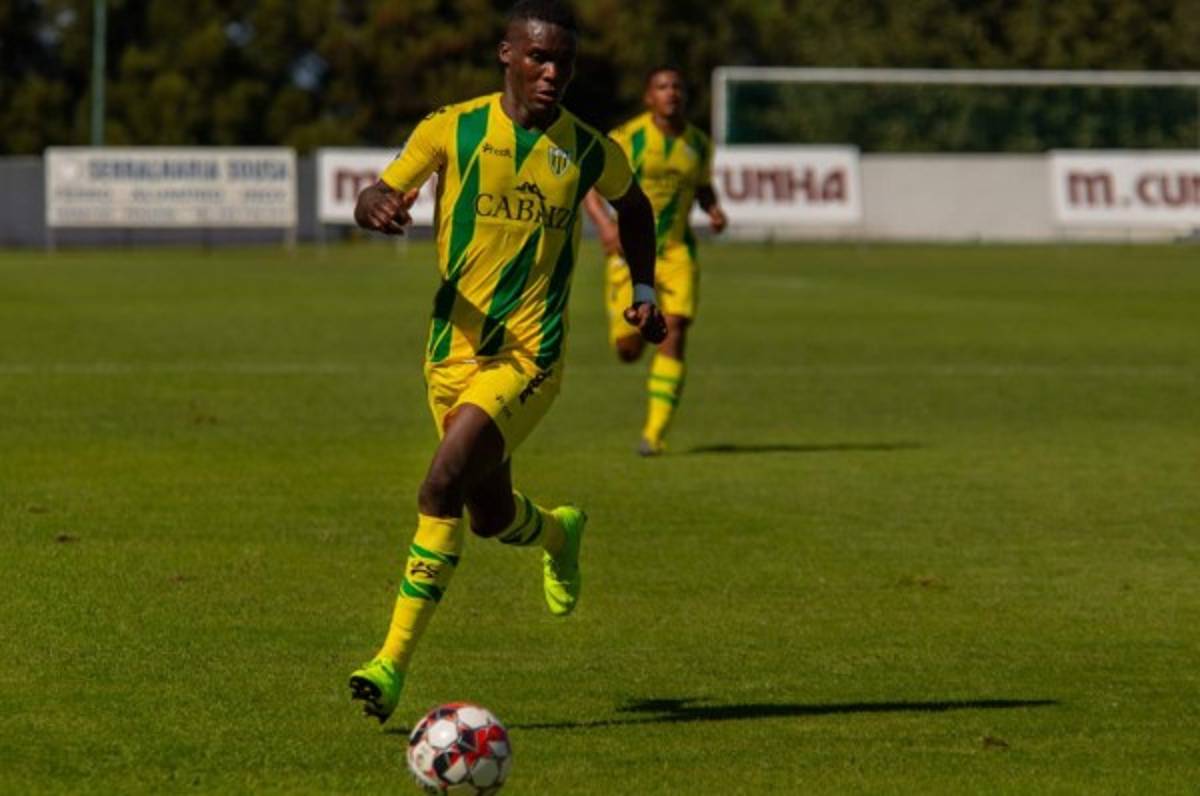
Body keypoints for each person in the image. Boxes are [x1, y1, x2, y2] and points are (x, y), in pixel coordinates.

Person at [347, 0, 665, 724]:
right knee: (488, 517)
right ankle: (559, 532)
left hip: (530, 359)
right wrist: (375, 207)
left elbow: (635, 208)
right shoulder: (450, 127)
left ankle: (390, 664)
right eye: (539, 58)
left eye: (564, 62)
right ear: (507, 56)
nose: (553, 73)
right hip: (449, 354)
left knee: (441, 483)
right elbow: (382, 187)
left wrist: (643, 290)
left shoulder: (586, 148)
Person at [583, 66, 727, 456]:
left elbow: (702, 186)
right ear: (649, 97)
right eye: (662, 87)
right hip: (629, 254)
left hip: (679, 251)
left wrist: (713, 209)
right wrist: (604, 227)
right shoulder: (629, 138)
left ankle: (654, 433)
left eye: (677, 87)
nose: (671, 93)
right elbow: (591, 186)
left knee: (675, 329)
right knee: (628, 350)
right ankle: (637, 333)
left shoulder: (698, 143)